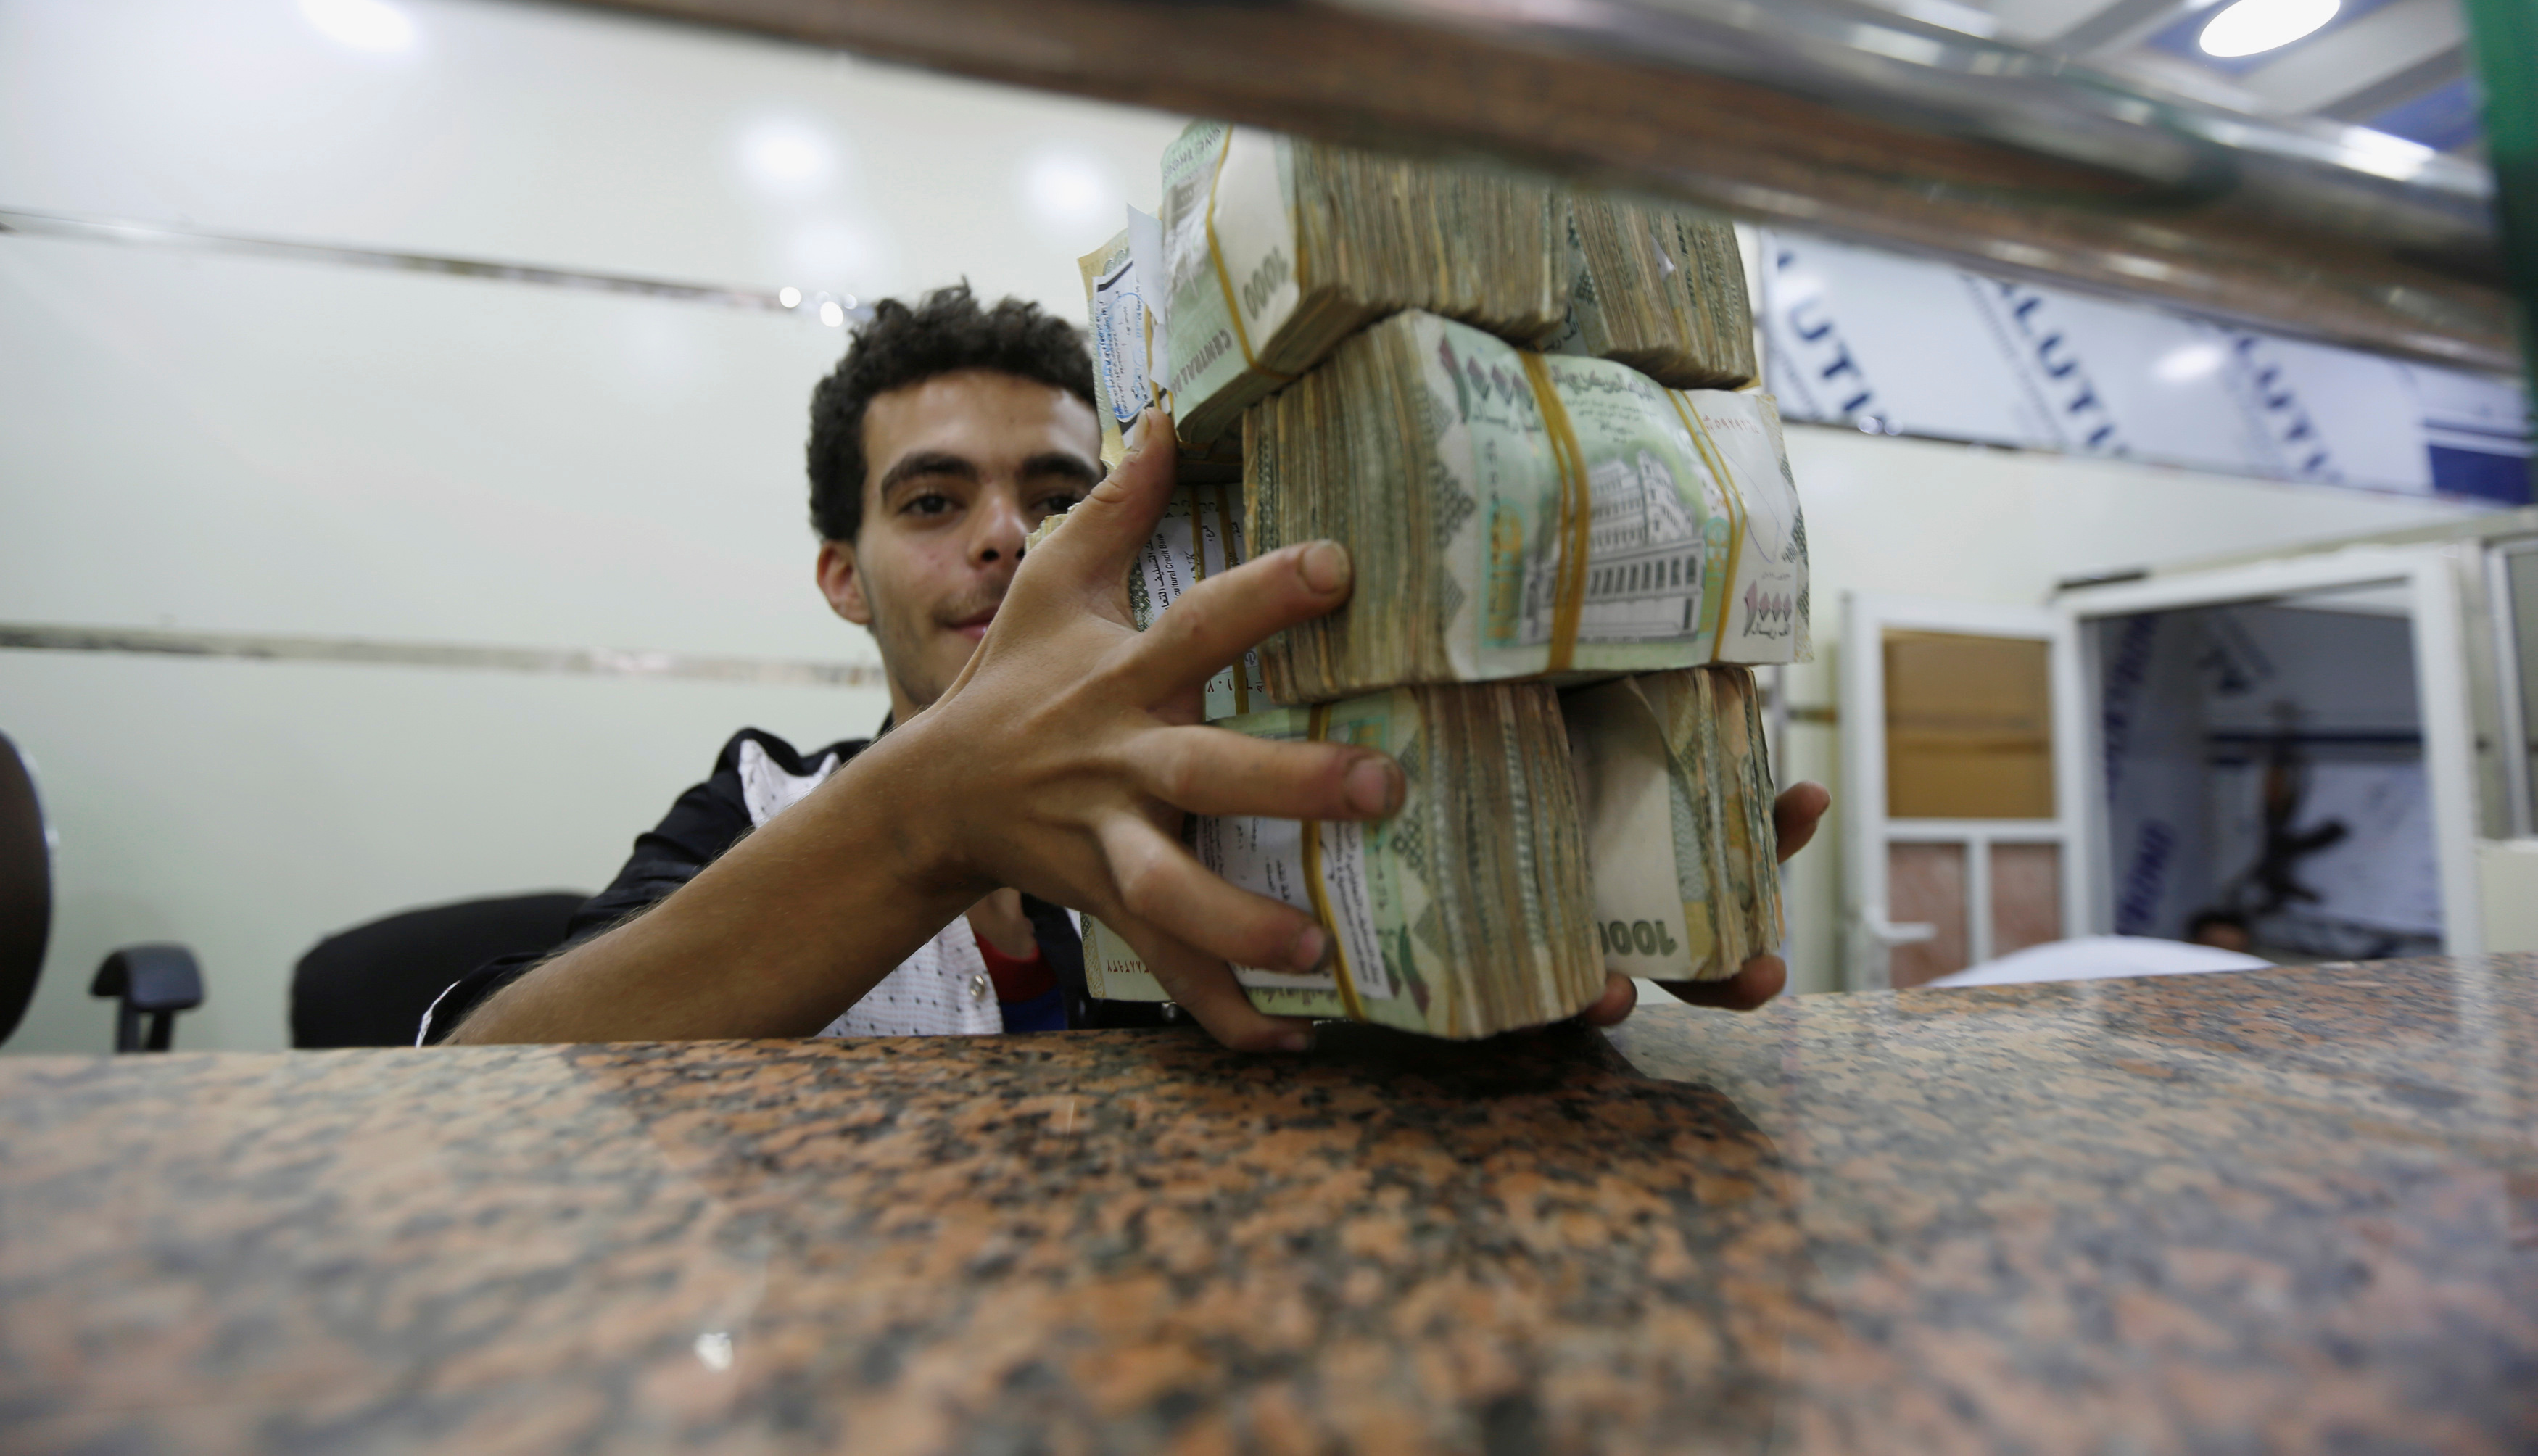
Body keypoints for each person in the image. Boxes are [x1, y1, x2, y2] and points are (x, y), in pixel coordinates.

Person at [434, 285, 1824, 1050]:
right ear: (841, 577)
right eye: (931, 503)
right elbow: (480, 1080)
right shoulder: (761, 807)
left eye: (1054, 493)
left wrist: (1545, 909)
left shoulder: (1251, 808)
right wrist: (925, 816)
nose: (1006, 541)